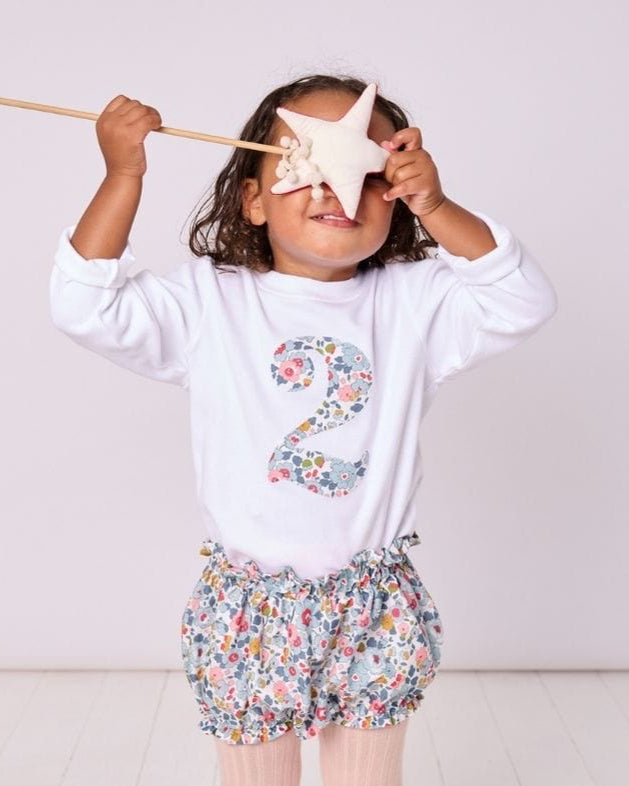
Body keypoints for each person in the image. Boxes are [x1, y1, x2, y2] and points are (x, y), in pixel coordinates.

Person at [49, 74, 558, 786]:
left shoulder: (415, 303)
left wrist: (437, 205)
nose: (330, 186)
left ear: (395, 191)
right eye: (299, 165)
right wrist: (123, 174)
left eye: (364, 166)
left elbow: (520, 297)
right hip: (248, 606)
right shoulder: (209, 302)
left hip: (374, 600)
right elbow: (84, 305)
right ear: (251, 201)